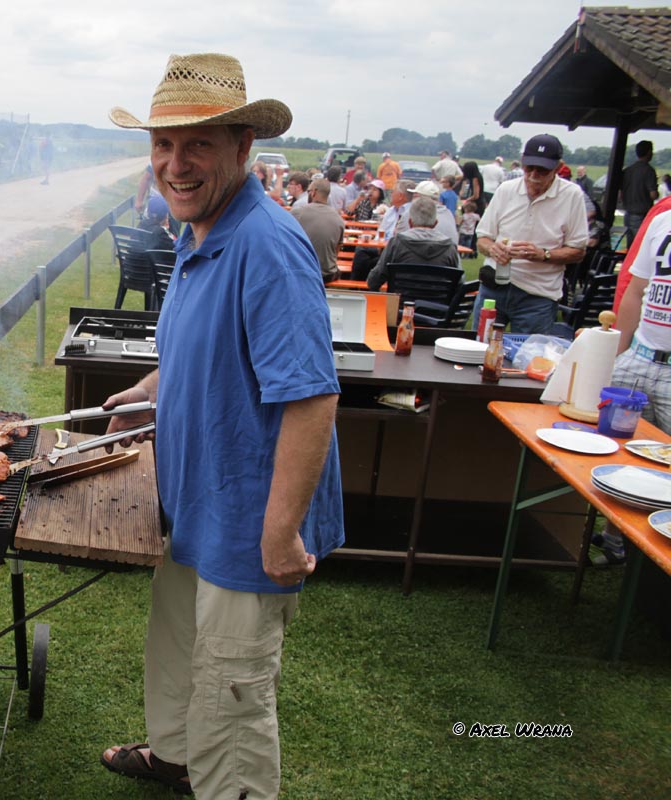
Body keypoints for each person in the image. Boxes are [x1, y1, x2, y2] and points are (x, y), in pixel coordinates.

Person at [99, 51, 343, 800]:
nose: (176, 164)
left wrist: (280, 532)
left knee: (232, 690)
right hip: (195, 500)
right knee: (178, 646)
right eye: (163, 144)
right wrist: (150, 389)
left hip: (248, 518)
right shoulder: (198, 229)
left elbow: (311, 399)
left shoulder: (268, 247)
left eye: (198, 144)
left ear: (243, 146)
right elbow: (202, 351)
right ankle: (175, 758)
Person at [599, 203, 671, 565]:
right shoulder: (663, 220)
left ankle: (657, 561)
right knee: (620, 456)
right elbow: (635, 289)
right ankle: (615, 540)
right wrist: (619, 355)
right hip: (639, 357)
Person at [474, 133, 588, 334]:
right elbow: (482, 238)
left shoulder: (572, 195)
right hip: (493, 288)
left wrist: (543, 254)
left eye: (542, 169)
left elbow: (578, 250)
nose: (534, 174)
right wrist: (493, 249)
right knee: (479, 347)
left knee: (528, 352)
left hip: (537, 296)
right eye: (529, 167)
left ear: (558, 167)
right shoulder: (506, 190)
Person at [366, 196, 462, 291]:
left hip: (401, 299)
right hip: (439, 300)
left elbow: (374, 281)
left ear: (410, 223)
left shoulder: (397, 243)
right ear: (435, 223)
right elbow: (460, 282)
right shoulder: (449, 247)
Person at [292, 179, 345, 283]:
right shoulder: (338, 219)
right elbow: (336, 251)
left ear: (314, 192)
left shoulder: (297, 213)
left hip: (303, 272)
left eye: (308, 191)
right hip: (327, 274)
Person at [620, 140, 658, 247]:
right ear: (649, 152)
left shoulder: (628, 170)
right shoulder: (649, 171)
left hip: (627, 214)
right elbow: (653, 195)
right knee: (641, 245)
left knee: (630, 246)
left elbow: (620, 193)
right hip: (641, 215)